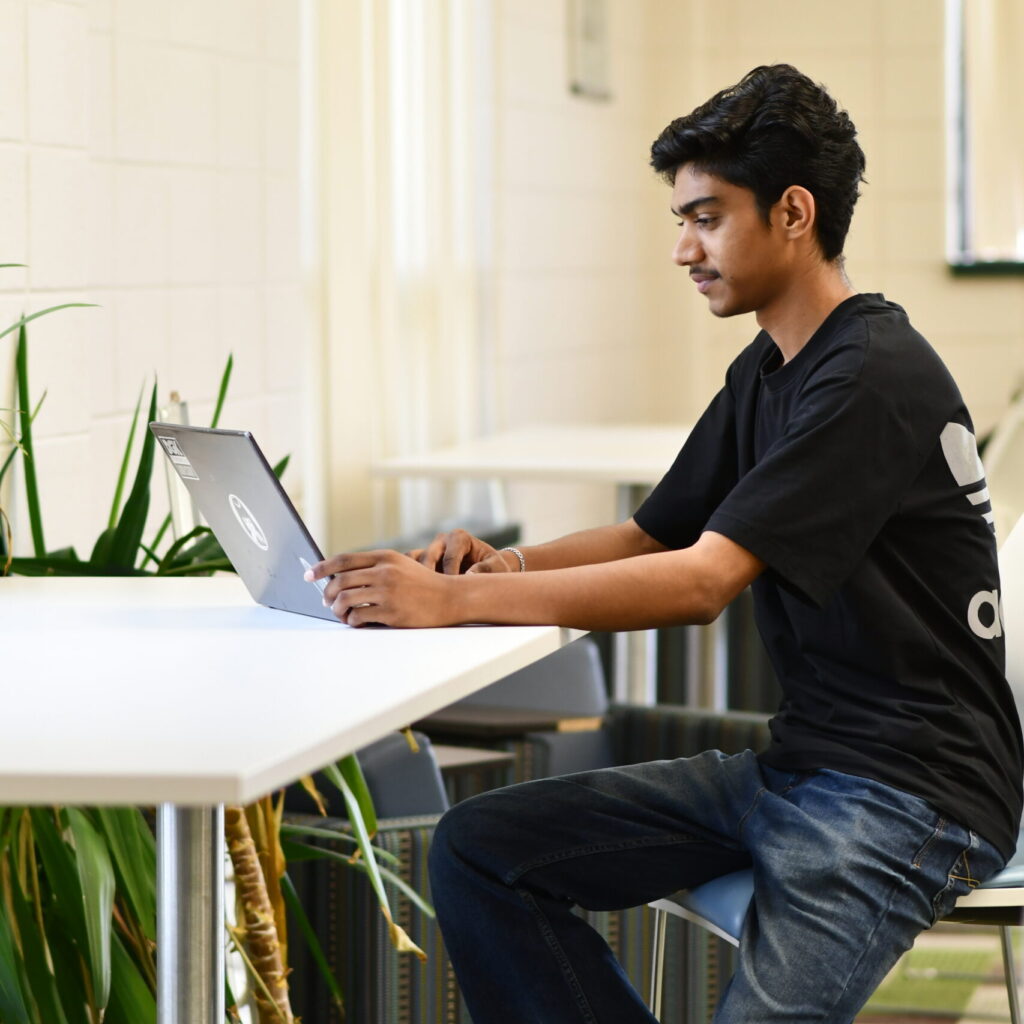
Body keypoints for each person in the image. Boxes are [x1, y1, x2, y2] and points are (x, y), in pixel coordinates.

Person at [305, 64, 1023, 1023]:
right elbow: (652, 530)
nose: (684, 248)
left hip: (908, 797)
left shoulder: (868, 375)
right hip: (801, 768)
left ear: (794, 213)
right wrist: (502, 565)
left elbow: (699, 582)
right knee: (482, 849)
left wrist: (449, 601)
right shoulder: (772, 366)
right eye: (679, 221)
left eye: (707, 217)